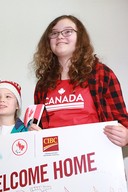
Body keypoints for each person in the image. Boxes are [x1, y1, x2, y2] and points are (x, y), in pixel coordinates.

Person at [31, 15, 128, 147]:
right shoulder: (42, 84)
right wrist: (34, 134)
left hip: (96, 156)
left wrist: (126, 136)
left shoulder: (101, 74)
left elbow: (123, 121)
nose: (60, 36)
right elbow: (40, 127)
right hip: (57, 160)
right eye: (54, 33)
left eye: (67, 31)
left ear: (80, 38)